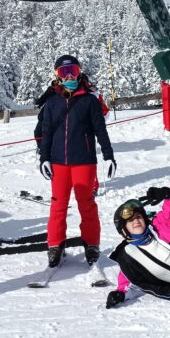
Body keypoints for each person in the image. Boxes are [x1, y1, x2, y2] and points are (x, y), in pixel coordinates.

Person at [38, 54, 116, 268]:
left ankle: (91, 244)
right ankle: (55, 245)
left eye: (73, 71)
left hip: (84, 161)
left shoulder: (89, 101)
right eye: (64, 72)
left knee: (87, 204)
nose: (69, 76)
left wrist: (108, 155)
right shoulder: (52, 103)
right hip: (58, 162)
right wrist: (44, 158)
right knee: (58, 205)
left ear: (80, 72)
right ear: (57, 76)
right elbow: (46, 133)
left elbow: (100, 130)